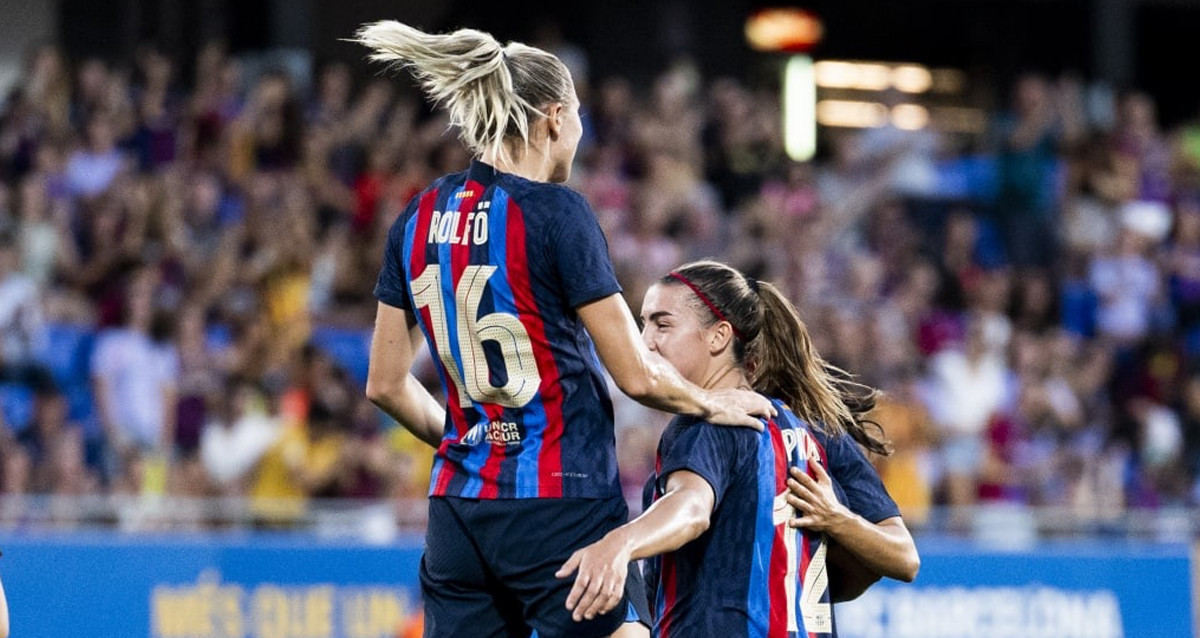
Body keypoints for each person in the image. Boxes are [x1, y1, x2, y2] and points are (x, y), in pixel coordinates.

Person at [354, 22, 774, 638]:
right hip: (558, 500)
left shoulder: (417, 215)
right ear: (555, 117)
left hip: (457, 516)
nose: (579, 134)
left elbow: (386, 385)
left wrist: (479, 444)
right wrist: (712, 403)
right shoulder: (558, 212)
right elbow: (635, 373)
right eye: (578, 117)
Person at [559, 261, 919, 636]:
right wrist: (839, 523)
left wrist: (619, 543)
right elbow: (891, 563)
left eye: (662, 324)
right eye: (644, 323)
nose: (645, 341)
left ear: (718, 336)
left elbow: (692, 508)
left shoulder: (714, 422)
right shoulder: (816, 430)